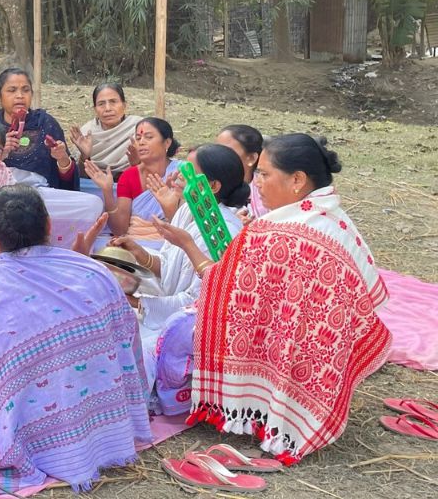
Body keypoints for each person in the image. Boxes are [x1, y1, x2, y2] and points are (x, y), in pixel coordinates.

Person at [153, 134, 392, 465]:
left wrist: (189, 248)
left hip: (300, 348)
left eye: (264, 174)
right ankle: (279, 409)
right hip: (323, 356)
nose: (256, 182)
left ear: (297, 180)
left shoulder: (279, 232)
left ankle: (259, 408)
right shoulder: (331, 217)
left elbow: (223, 288)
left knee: (178, 330)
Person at [0, 185, 151, 492]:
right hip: (109, 419)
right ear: (49, 225)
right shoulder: (95, 270)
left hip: (32, 431)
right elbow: (127, 339)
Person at [110, 145, 247, 389]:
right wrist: (138, 253)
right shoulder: (187, 210)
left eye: (187, 171)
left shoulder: (221, 231)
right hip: (163, 305)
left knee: (126, 349)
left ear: (212, 186)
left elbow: (196, 305)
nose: (177, 176)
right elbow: (170, 269)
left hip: (185, 325)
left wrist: (137, 303)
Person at [86, 117, 181, 242]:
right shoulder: (129, 176)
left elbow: (187, 223)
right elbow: (120, 230)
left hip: (173, 244)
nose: (141, 142)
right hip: (135, 245)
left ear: (167, 143)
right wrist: (107, 191)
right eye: (138, 138)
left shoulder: (181, 172)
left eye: (148, 137)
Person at [0, 67, 78, 190]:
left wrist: (62, 158)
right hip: (1, 197)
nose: (20, 96)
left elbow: (66, 180)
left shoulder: (46, 123)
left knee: (93, 203)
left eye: (26, 90)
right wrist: (0, 153)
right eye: (12, 90)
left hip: (42, 197)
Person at [70, 83, 141, 179]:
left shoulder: (138, 127)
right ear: (95, 109)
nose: (108, 109)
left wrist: (137, 162)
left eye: (113, 102)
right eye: (101, 104)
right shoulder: (86, 133)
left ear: (124, 105)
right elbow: (79, 179)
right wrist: (84, 157)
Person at [217, 124, 268, 219]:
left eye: (227, 151)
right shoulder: (212, 185)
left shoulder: (266, 191)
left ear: (251, 158)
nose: (218, 155)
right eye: (216, 149)